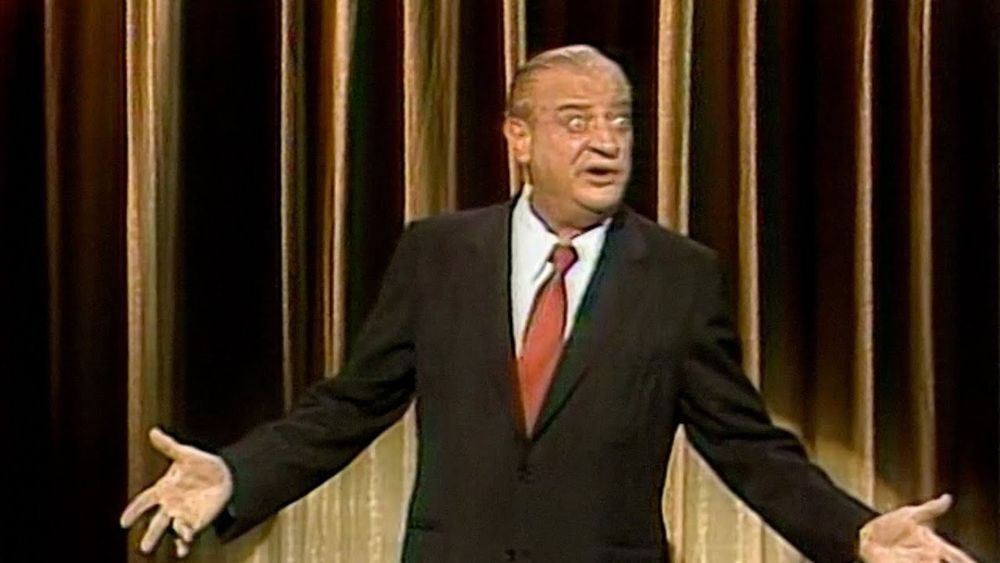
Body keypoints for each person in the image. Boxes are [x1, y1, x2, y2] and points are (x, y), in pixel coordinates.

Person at [121, 45, 976, 563]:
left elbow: (748, 446)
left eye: (621, 121)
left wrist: (856, 534)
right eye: (576, 120)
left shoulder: (679, 276)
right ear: (519, 137)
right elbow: (349, 405)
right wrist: (238, 473)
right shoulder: (438, 254)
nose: (606, 142)